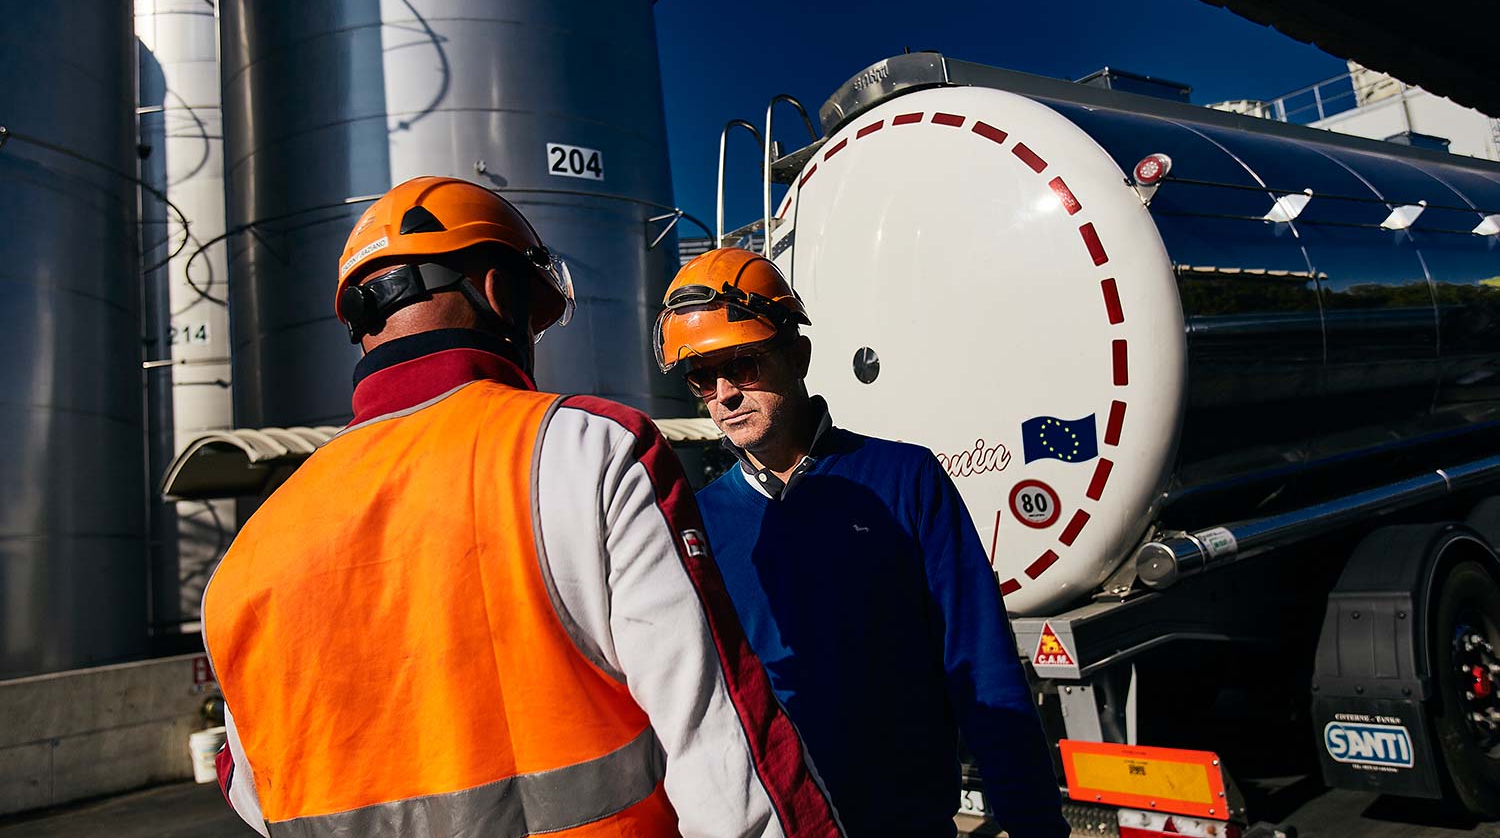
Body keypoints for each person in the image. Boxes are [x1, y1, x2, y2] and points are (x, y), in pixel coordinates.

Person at [202, 178, 843, 838]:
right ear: (500, 293)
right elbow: (721, 758)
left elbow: (254, 791)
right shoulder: (587, 450)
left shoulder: (247, 558)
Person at [654, 247, 1070, 838]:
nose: (722, 394)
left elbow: (981, 663)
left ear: (796, 354)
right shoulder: (702, 521)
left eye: (741, 364)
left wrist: (1036, 825)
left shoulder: (906, 480)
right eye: (701, 376)